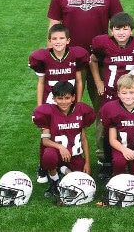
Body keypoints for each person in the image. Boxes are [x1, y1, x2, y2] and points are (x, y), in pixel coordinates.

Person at [47, 0, 124, 173]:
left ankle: (103, 155)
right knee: (63, 107)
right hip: (70, 62)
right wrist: (54, 55)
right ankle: (61, 153)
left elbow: (118, 25)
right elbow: (53, 24)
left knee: (104, 108)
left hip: (101, 62)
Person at [28, 24, 90, 183]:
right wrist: (40, 105)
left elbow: (78, 80)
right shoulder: (43, 57)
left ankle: (64, 163)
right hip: (51, 100)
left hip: (69, 100)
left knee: (69, 131)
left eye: (61, 38)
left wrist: (79, 101)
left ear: (68, 40)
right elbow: (41, 83)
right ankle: (44, 166)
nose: (58, 41)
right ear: (49, 41)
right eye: (54, 39)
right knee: (46, 133)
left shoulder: (75, 55)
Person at [90, 12, 134, 179]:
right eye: (117, 29)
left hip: (131, 94)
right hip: (111, 93)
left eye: (125, 29)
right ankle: (107, 162)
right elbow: (92, 60)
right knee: (108, 127)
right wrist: (99, 81)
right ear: (111, 30)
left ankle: (133, 158)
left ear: (132, 30)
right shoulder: (103, 44)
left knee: (131, 125)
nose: (121, 32)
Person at [32, 81, 96, 198]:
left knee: (82, 181)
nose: (64, 102)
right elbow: (45, 141)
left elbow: (83, 139)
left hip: (74, 154)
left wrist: (87, 163)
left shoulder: (81, 110)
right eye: (60, 98)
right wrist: (60, 147)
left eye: (67, 98)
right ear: (54, 99)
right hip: (56, 152)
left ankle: (61, 168)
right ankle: (55, 181)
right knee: (49, 155)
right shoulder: (47, 112)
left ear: (73, 98)